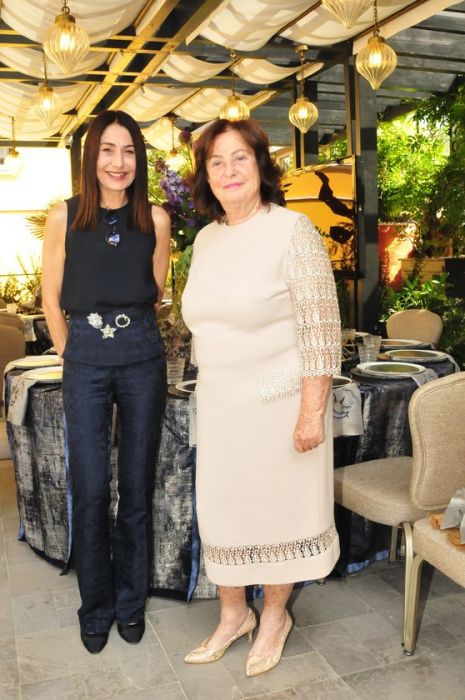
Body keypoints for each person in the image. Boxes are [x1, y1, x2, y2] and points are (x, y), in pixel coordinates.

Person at [181, 118, 341, 677]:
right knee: (224, 513)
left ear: (260, 166)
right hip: (220, 408)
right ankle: (233, 616)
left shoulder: (293, 231)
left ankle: (274, 616)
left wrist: (311, 413)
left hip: (280, 407)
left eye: (240, 158)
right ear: (205, 175)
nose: (228, 171)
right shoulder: (205, 239)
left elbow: (321, 331)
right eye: (216, 162)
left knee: (278, 515)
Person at [42, 110, 170, 654]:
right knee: (92, 489)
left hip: (143, 357)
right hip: (85, 361)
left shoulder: (156, 219)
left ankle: (130, 603)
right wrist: (71, 350)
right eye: (108, 151)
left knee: (137, 488)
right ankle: (95, 608)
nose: (119, 162)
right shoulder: (64, 216)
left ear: (139, 159)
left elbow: (155, 292)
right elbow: (51, 298)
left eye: (129, 151)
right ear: (91, 157)